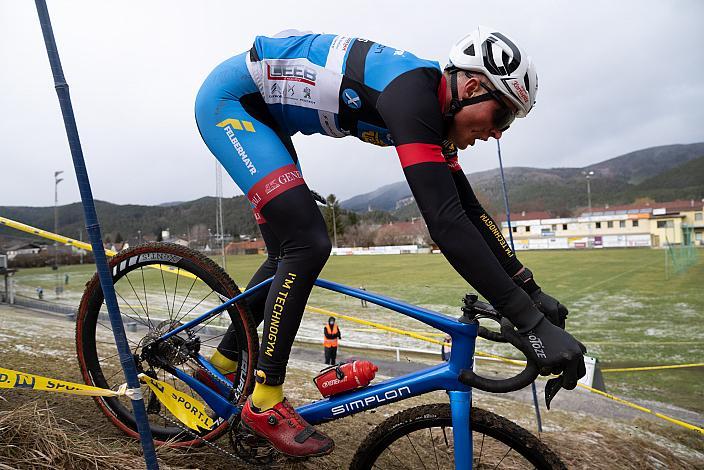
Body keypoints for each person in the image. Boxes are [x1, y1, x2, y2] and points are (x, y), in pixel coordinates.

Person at [195, 26, 585, 458]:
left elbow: (470, 212)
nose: (498, 134)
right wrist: (528, 322)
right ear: (471, 87)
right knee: (307, 242)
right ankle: (265, 400)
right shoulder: (414, 96)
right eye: (503, 116)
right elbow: (445, 224)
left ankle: (225, 363)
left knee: (287, 253)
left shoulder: (434, 116)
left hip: (267, 116)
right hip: (232, 103)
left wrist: (529, 290)